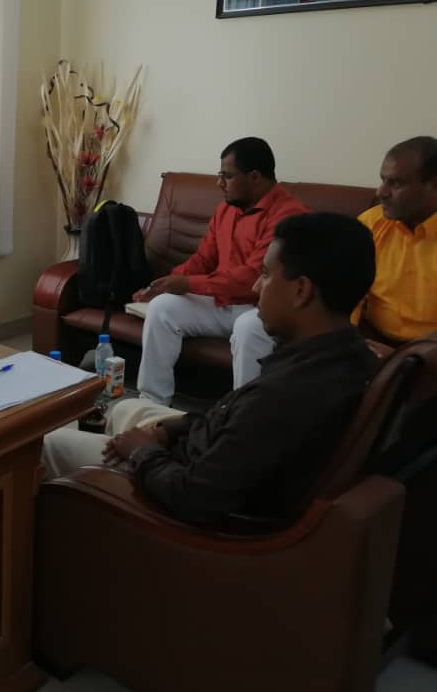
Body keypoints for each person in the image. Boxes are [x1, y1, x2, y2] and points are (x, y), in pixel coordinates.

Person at [43, 213, 378, 528]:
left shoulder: (284, 396)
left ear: (301, 290)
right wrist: (167, 431)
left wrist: (142, 451)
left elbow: (193, 497)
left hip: (179, 490)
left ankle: (76, 505)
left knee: (47, 443)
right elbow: (231, 416)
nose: (256, 288)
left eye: (265, 275)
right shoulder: (346, 355)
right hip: (199, 452)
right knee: (125, 408)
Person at [132, 137, 308, 405]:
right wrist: (162, 285)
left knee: (248, 328)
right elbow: (204, 258)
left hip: (262, 307)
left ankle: (242, 416)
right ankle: (151, 404)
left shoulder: (288, 215)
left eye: (227, 176)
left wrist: (189, 284)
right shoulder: (227, 208)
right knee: (162, 307)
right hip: (222, 302)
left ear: (254, 177)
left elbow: (253, 277)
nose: (219, 183)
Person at [352, 136, 437, 345]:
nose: (380, 192)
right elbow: (346, 294)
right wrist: (351, 344)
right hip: (371, 339)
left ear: (433, 185)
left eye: (396, 183)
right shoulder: (370, 224)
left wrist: (411, 357)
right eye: (383, 180)